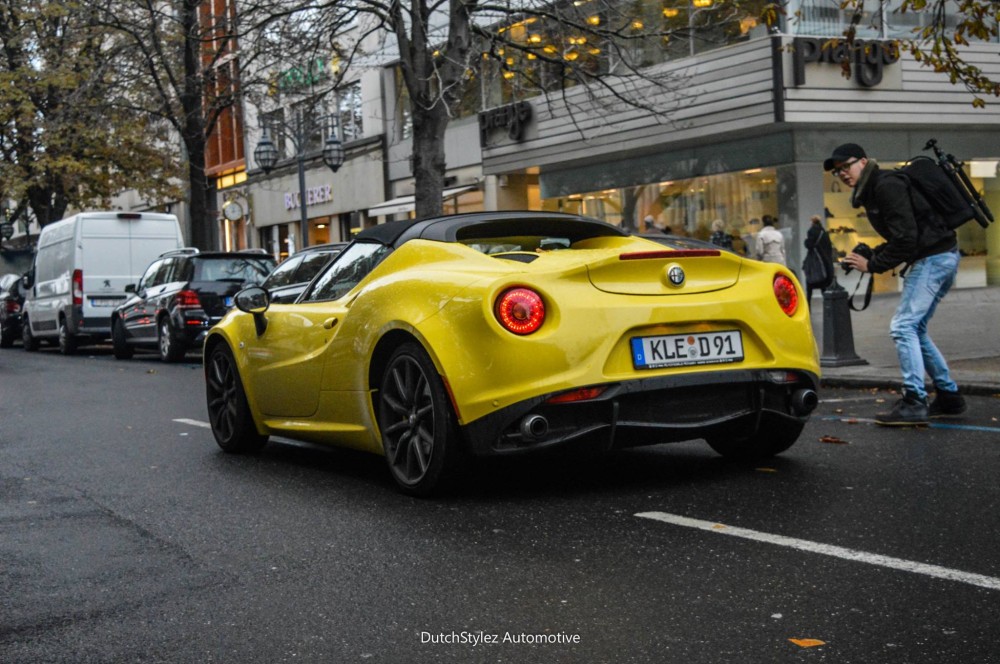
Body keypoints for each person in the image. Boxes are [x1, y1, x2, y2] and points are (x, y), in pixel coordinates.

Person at [825, 142, 966, 426]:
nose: (842, 173)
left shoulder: (885, 186)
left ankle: (914, 400)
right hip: (941, 256)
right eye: (837, 171)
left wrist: (873, 265)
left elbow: (907, 239)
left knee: (903, 327)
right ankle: (949, 396)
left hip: (933, 259)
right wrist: (873, 253)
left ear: (863, 162)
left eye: (845, 166)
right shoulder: (878, 186)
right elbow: (906, 233)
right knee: (916, 328)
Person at [803, 214, 835, 305]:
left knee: (809, 288)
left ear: (812, 222)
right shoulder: (824, 232)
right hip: (825, 262)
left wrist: (806, 241)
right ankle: (827, 307)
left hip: (815, 263)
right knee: (824, 288)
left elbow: (809, 245)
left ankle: (808, 309)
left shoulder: (811, 231)